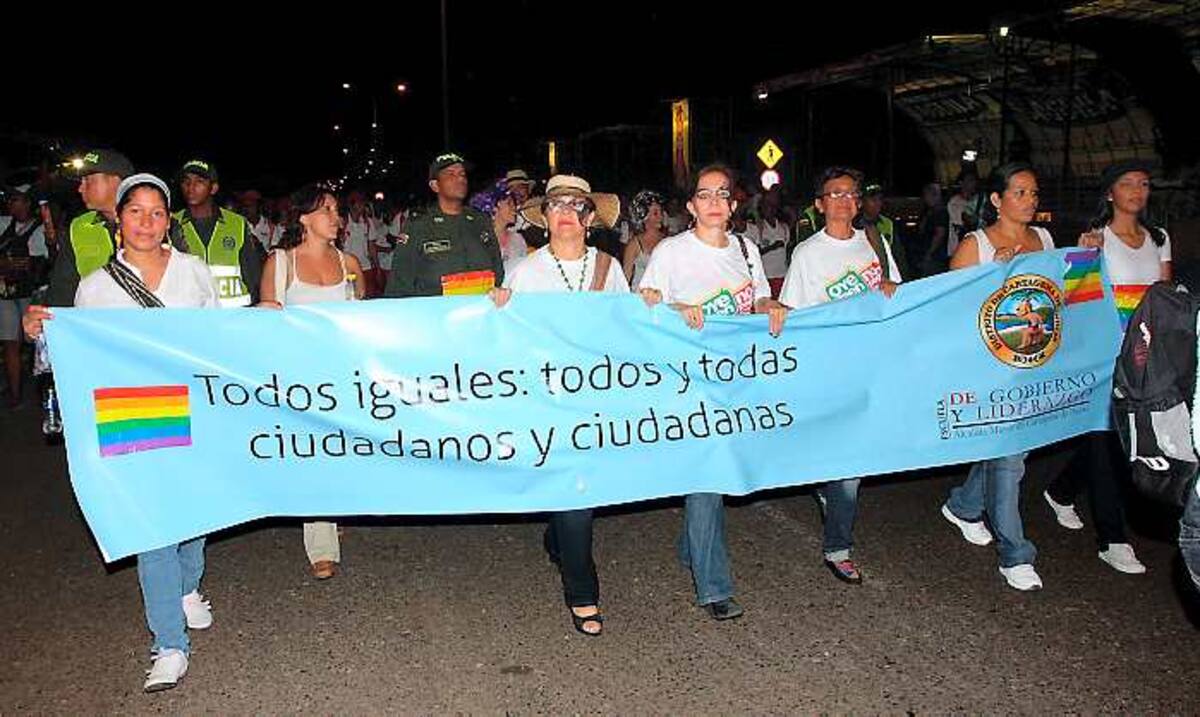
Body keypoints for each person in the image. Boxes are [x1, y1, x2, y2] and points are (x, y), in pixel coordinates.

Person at [24, 174, 219, 692]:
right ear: (119, 220)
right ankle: (169, 643)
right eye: (136, 211)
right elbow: (76, 350)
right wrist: (40, 329)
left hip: (194, 408)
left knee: (195, 512)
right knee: (151, 528)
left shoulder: (194, 273)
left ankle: (188, 585)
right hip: (131, 414)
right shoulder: (96, 286)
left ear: (168, 221)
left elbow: (222, 341)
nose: (147, 223)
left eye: (157, 213)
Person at [638, 163, 788, 620]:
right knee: (709, 475)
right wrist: (673, 306)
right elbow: (643, 304)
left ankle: (690, 545)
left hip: (737, 383)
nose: (715, 202)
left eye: (723, 194)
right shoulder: (671, 252)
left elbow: (756, 298)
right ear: (690, 206)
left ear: (733, 202)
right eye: (705, 195)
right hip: (690, 386)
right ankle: (714, 587)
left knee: (718, 476)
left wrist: (770, 305)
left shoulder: (745, 249)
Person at [491, 174, 627, 635]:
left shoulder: (610, 268)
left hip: (596, 399)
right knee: (576, 493)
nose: (567, 212)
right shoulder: (526, 273)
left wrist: (647, 304)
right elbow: (506, 341)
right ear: (544, 218)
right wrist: (496, 306)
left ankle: (556, 534)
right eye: (556, 205)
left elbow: (628, 334)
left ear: (590, 218)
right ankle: (583, 593)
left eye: (576, 205)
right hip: (548, 403)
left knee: (580, 495)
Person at [1041, 159, 1172, 575]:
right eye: (1127, 183)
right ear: (1110, 192)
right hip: (1105, 356)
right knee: (1107, 439)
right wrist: (1084, 258)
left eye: (1144, 183)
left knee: (1117, 437)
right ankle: (1112, 538)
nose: (1137, 190)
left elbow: (1166, 298)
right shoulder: (1095, 240)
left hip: (1146, 358)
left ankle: (1061, 490)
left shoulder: (1159, 238)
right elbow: (1075, 298)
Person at [778, 167, 900, 584]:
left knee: (853, 461)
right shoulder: (808, 253)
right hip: (829, 369)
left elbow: (894, 291)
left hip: (869, 365)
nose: (845, 200)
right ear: (819, 203)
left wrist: (888, 287)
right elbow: (794, 314)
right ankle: (839, 547)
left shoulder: (874, 242)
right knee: (849, 464)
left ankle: (828, 486)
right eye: (835, 194)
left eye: (852, 193)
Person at [940, 162, 1055, 591]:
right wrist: (993, 277)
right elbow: (951, 310)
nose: (1029, 201)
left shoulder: (1043, 240)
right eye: (1020, 192)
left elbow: (1051, 296)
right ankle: (1015, 553)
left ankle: (965, 505)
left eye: (1034, 193)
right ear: (996, 199)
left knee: (1007, 452)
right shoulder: (976, 246)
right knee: (1009, 457)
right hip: (989, 370)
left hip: (1032, 363)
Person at [259, 185, 364, 579]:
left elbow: (362, 321)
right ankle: (322, 545)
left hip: (343, 379)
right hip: (300, 381)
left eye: (338, 211)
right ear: (303, 217)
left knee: (343, 454)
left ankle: (334, 509)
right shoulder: (281, 264)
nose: (336, 218)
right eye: (327, 211)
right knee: (314, 455)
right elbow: (266, 325)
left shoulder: (349, 263)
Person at [383, 153, 504, 298]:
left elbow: (497, 271)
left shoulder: (480, 221)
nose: (460, 179)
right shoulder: (419, 225)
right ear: (435, 185)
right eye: (451, 174)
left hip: (480, 311)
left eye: (462, 174)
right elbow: (399, 283)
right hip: (436, 315)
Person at [45, 149, 135, 307]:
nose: (80, 188)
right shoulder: (80, 227)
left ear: (117, 181)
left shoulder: (155, 224)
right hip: (93, 324)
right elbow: (62, 290)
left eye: (88, 180)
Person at [174, 159, 262, 307]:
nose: (191, 187)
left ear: (213, 188)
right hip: (193, 316)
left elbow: (253, 277)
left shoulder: (237, 223)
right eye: (186, 181)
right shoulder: (171, 224)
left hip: (235, 315)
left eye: (199, 181)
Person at [0, 185, 49, 406]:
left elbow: (48, 257)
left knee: (38, 344)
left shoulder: (41, 228)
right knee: (11, 343)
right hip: (6, 293)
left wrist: (32, 263)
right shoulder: (2, 224)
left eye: (17, 200)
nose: (13, 205)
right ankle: (15, 394)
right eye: (10, 200)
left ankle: (45, 395)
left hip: (33, 293)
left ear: (28, 202)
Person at [744, 186, 791, 298]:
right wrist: (772, 247)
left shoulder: (784, 228)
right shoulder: (758, 228)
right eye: (766, 206)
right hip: (765, 277)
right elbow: (753, 254)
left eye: (772, 206)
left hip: (782, 276)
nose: (769, 209)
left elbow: (787, 251)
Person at [858, 183, 908, 280]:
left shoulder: (887, 223)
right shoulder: (854, 225)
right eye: (873, 200)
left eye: (880, 199)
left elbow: (898, 254)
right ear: (862, 202)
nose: (878, 203)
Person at [620, 190, 665, 288]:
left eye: (661, 212)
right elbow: (625, 279)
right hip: (638, 297)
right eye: (655, 213)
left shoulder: (667, 241)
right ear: (644, 216)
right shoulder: (635, 244)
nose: (660, 217)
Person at [343, 191, 379, 297]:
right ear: (351, 205)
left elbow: (372, 246)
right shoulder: (343, 222)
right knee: (352, 296)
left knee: (368, 295)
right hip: (348, 268)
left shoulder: (368, 222)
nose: (362, 206)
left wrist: (377, 267)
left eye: (363, 203)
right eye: (359, 203)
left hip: (366, 267)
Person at [946, 168, 986, 262]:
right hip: (959, 248)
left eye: (974, 180)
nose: (973, 183)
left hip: (978, 247)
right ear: (961, 183)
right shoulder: (955, 202)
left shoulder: (979, 200)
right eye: (969, 180)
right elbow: (963, 225)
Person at [912, 182, 949, 278]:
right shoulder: (929, 211)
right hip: (927, 253)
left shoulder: (940, 212)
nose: (925, 198)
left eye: (926, 195)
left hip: (935, 257)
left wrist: (929, 253)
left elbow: (939, 234)